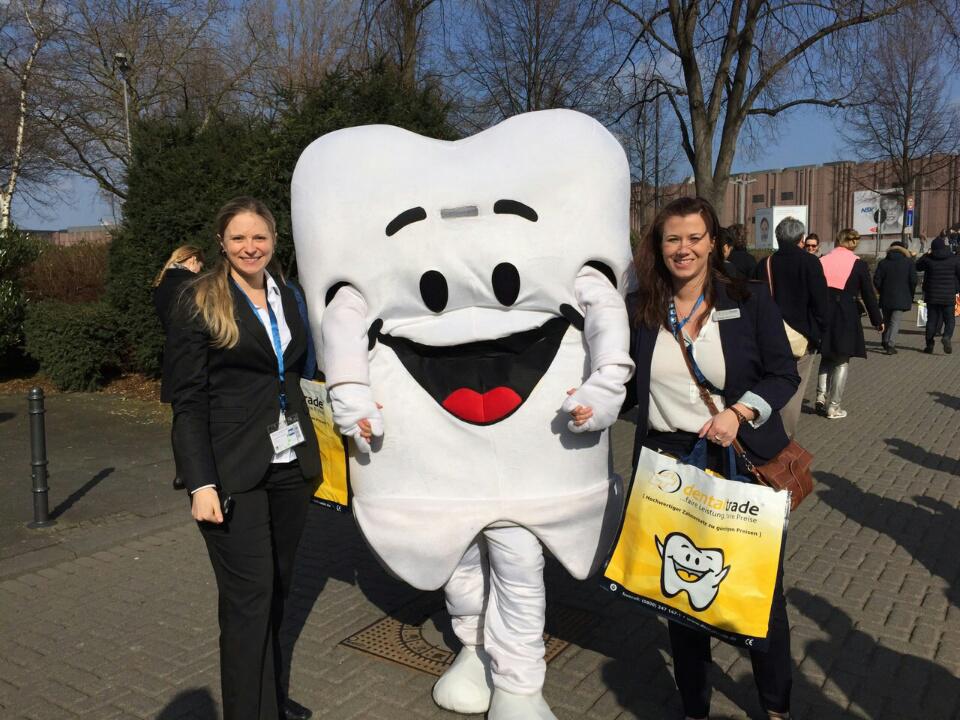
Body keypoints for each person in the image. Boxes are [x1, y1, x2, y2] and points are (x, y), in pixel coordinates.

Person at [626, 196, 799, 720]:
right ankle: (694, 707)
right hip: (668, 464)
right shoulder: (642, 309)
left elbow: (784, 374)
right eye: (672, 239)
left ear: (713, 243)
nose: (684, 249)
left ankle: (776, 706)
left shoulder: (748, 299)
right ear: (659, 247)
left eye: (694, 238)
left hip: (736, 459)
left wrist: (740, 412)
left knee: (758, 589)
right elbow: (625, 384)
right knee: (679, 596)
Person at [166, 197, 321, 720]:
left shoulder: (289, 295)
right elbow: (187, 401)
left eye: (259, 237)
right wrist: (200, 483)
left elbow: (299, 370)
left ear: (274, 240)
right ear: (221, 242)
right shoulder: (199, 300)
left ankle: (268, 701)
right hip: (231, 470)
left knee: (276, 590)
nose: (249, 247)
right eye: (238, 238)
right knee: (248, 599)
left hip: (291, 465)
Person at [753, 217, 829, 438]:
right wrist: (820, 332)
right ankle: (782, 439)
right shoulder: (810, 262)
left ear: (777, 237)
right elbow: (821, 303)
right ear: (801, 238)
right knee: (794, 390)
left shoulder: (765, 264)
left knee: (768, 384)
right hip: (801, 338)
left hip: (767, 336)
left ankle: (762, 432)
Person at [153, 245, 205, 490]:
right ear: (192, 260)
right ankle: (198, 470)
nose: (201, 270)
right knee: (198, 415)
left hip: (173, 357)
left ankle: (181, 472)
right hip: (194, 356)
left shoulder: (161, 285)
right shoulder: (193, 285)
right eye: (200, 266)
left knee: (180, 416)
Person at [816, 229, 883, 419]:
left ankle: (820, 396)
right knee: (842, 359)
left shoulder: (822, 260)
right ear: (854, 243)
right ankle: (834, 406)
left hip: (824, 312)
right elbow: (869, 295)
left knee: (826, 355)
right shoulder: (858, 264)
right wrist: (877, 320)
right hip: (846, 313)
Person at [916, 236, 960, 354]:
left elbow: (917, 266)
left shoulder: (928, 259)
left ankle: (929, 345)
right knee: (950, 319)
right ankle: (946, 337)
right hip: (948, 295)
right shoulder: (954, 259)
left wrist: (925, 254)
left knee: (931, 321)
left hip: (932, 295)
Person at [873, 241, 917, 354]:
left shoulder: (883, 262)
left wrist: (881, 290)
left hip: (886, 296)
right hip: (902, 296)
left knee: (886, 319)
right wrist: (911, 293)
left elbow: (876, 280)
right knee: (895, 321)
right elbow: (913, 280)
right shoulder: (909, 262)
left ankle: (885, 340)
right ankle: (890, 344)